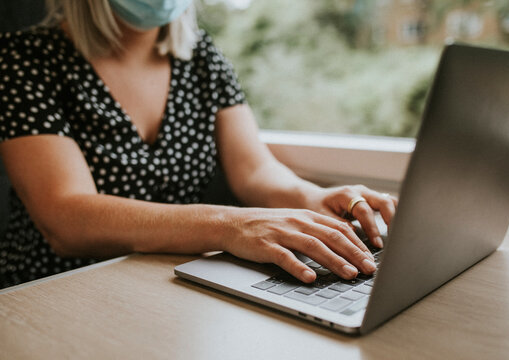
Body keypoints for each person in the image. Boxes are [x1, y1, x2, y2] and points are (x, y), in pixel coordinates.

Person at [0, 0, 397, 289]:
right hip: (50, 290)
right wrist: (231, 225)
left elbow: (255, 170)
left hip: (165, 280)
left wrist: (314, 198)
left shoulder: (202, 56)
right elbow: (65, 219)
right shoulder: (23, 60)